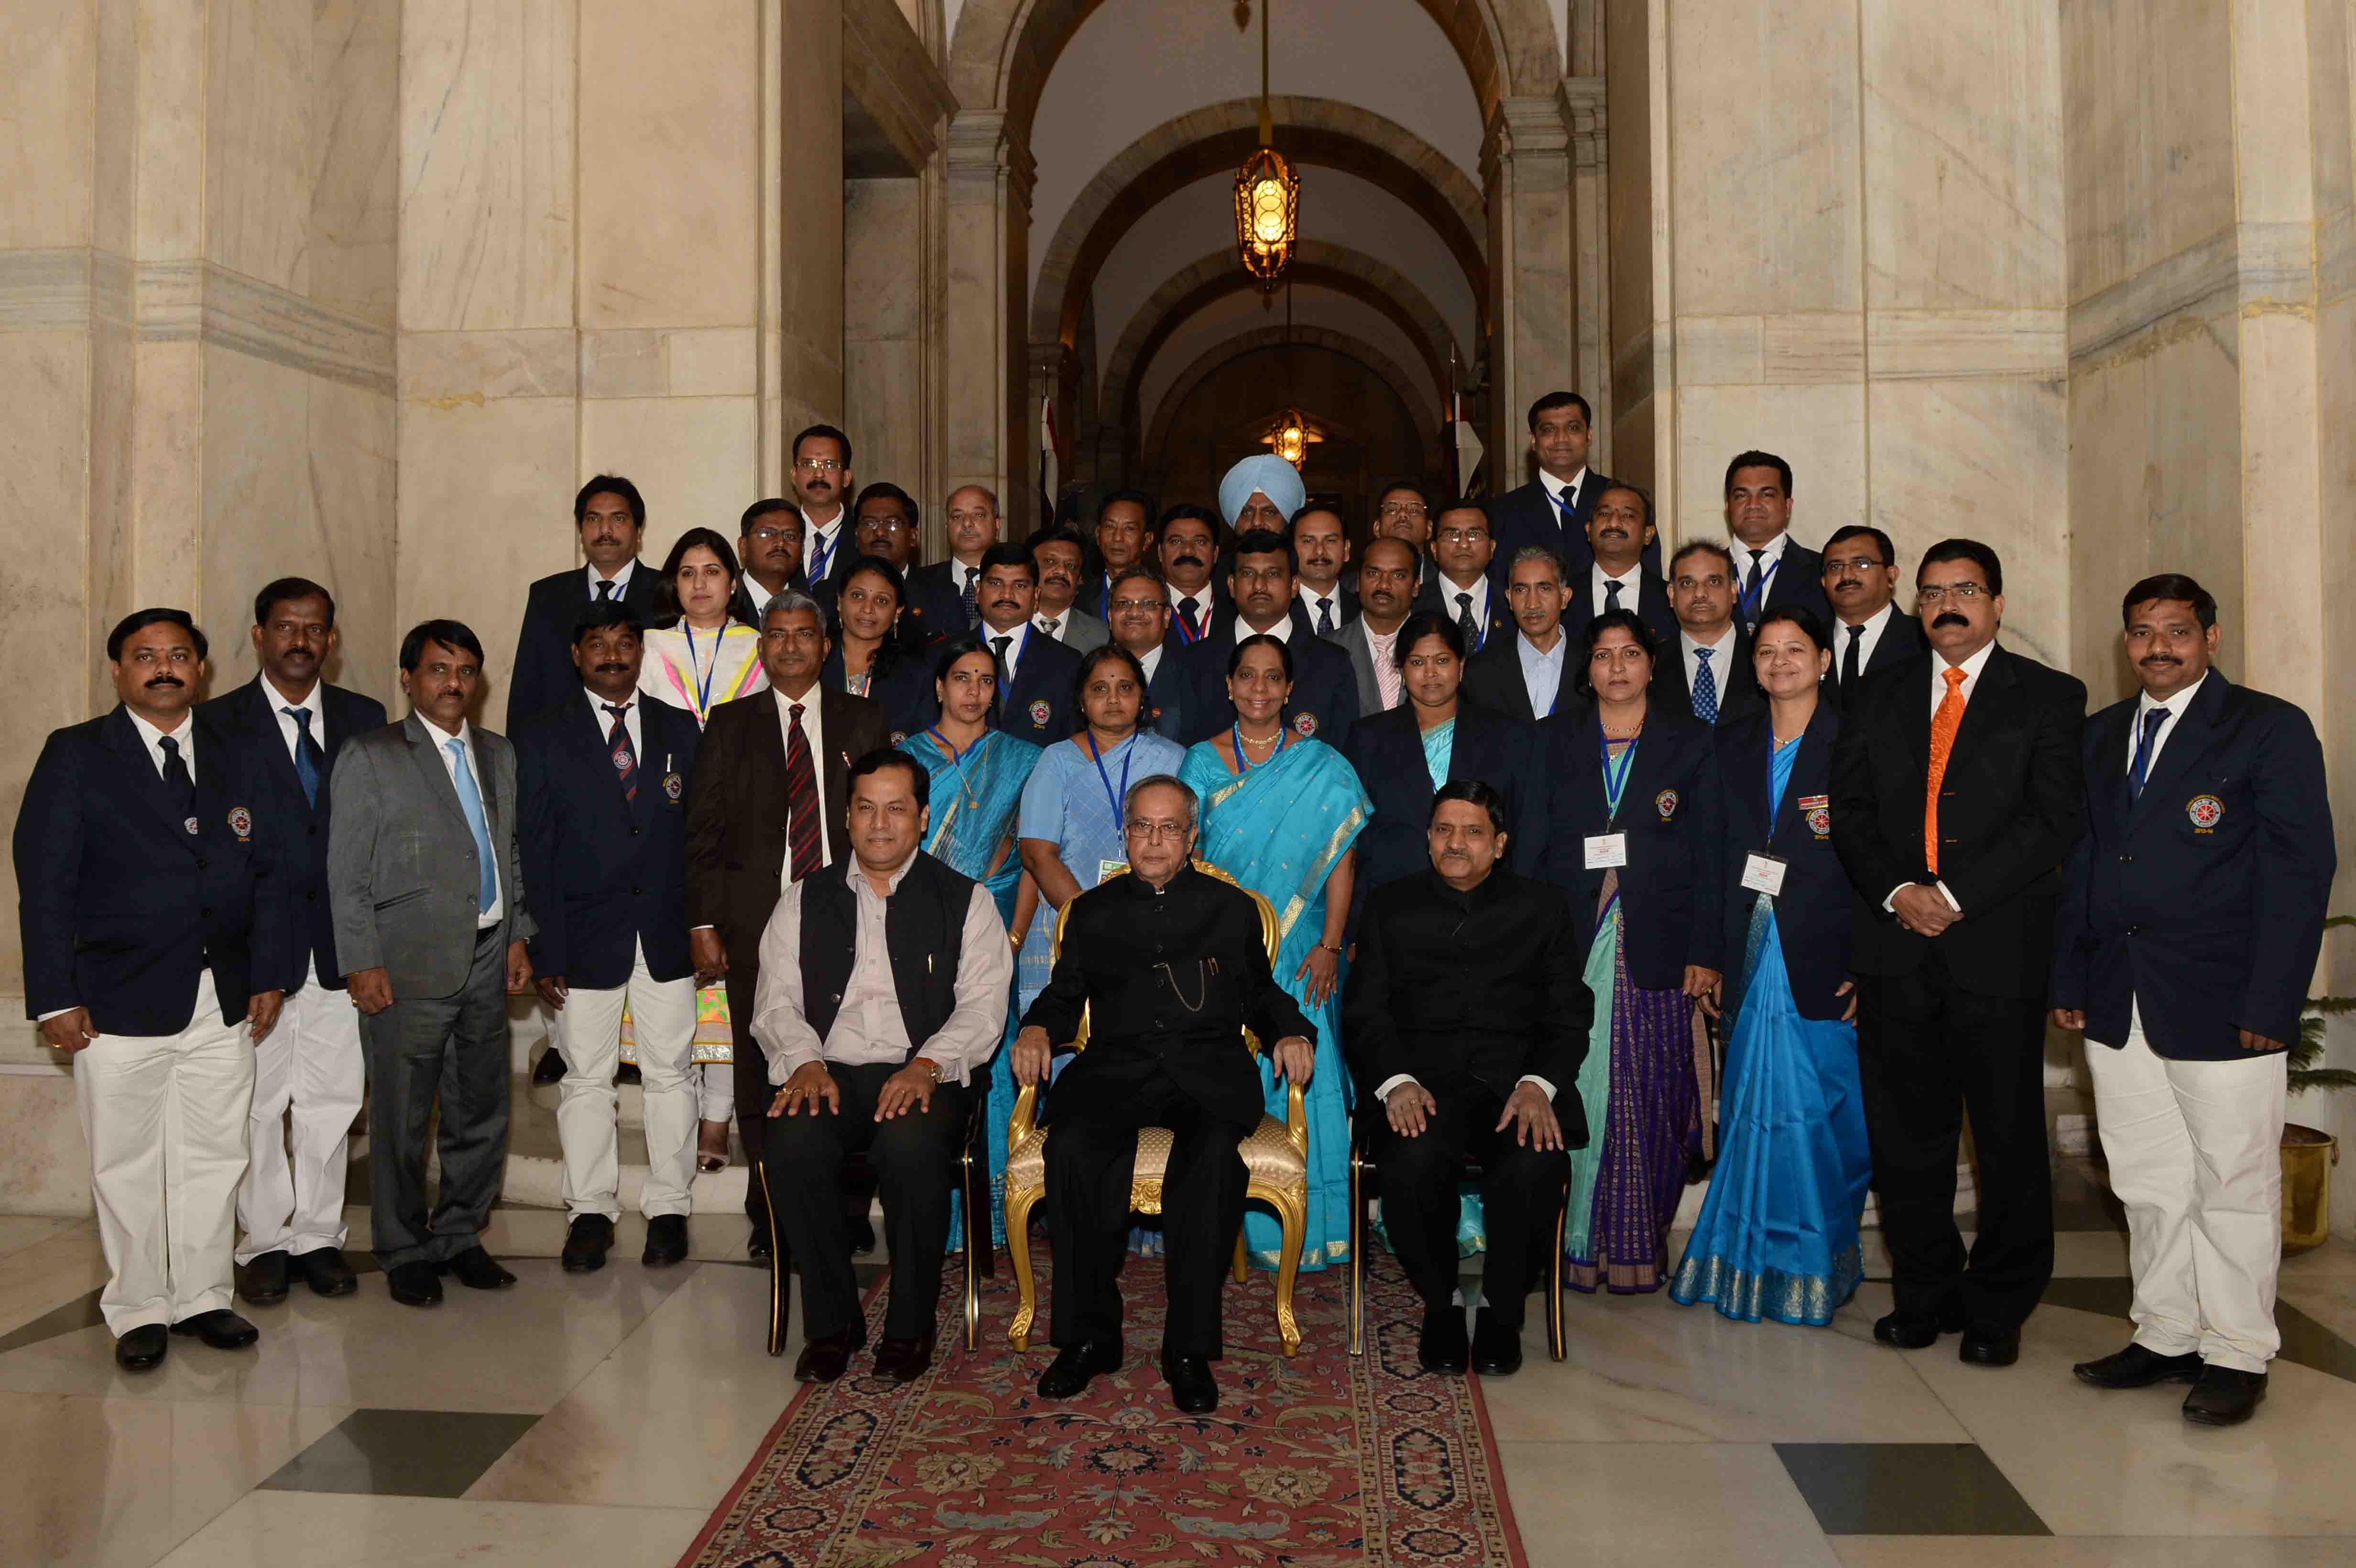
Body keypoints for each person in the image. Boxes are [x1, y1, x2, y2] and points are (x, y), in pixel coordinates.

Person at [2051, 574, 2335, 1426]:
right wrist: (2069, 978)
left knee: (2232, 1181)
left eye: (2175, 630)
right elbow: (2080, 867)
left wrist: (2271, 1000)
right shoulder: (2101, 737)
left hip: (2223, 999)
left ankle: (2236, 1351)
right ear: (2124, 643)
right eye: (2140, 633)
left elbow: (2298, 871)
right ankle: (2166, 1330)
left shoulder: (2266, 728)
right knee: (2144, 1179)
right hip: (2117, 997)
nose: (2156, 648)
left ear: (2210, 637)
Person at [1830, 538, 2086, 1367]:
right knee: (1907, 1136)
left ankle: (1998, 1305)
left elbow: (2048, 821)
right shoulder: (1877, 692)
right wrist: (1896, 893)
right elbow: (1850, 807)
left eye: (1966, 590)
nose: (1948, 604)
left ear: (1997, 604)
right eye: (1934, 591)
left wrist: (1954, 896)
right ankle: (1922, 1294)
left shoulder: (2048, 696)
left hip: (1994, 946)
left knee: (2006, 1136)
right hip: (1895, 943)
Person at [17, 609, 291, 1370]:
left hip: (222, 996)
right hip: (114, 998)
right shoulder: (77, 756)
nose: (163, 667)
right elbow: (44, 885)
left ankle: (204, 1296)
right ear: (118, 670)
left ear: (201, 669)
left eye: (179, 655)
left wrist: (267, 971)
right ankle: (138, 1306)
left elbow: (269, 872)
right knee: (127, 1160)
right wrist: (54, 996)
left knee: (215, 1153)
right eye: (145, 656)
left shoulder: (239, 752)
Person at [1013, 776, 1317, 1414]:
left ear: (1191, 836)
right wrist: (1038, 1026)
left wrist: (1288, 1031)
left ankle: (1188, 1350)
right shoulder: (1091, 912)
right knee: (1071, 1150)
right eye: (1142, 827)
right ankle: (1089, 1340)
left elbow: (1261, 994)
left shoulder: (1230, 909)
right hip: (1116, 1073)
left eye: (1169, 828)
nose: (1154, 840)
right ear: (1125, 834)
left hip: (1206, 1074)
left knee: (1211, 1162)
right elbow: (1065, 996)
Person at [752, 751, 1015, 1384]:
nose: (879, 823)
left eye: (896, 808)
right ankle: (833, 1323)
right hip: (829, 1069)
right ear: (845, 818)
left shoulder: (967, 900)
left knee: (911, 1147)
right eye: (866, 808)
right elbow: (775, 1000)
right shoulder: (802, 901)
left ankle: (909, 1326)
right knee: (791, 1142)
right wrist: (804, 1063)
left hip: (922, 1071)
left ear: (922, 819)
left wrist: (929, 1063)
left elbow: (984, 1007)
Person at [1670, 605, 1870, 1326]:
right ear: (1751, 666)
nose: (1780, 662)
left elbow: (1884, 863)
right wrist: (1706, 955)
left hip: (1828, 956)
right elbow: (1710, 859)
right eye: (1767, 652)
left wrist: (1870, 965)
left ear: (1823, 660)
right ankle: (1747, 1260)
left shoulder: (1857, 741)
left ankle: (1820, 1261)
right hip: (1748, 954)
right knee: (1755, 1112)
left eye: (1796, 650)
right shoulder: (1731, 743)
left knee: (1827, 1113)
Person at [1347, 782, 1588, 1375]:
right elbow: (1363, 1011)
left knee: (1535, 1162)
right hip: (1422, 1086)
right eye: (1443, 830)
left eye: (1472, 831)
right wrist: (1395, 1082)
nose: (1456, 843)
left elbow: (1568, 1013)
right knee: (1409, 1161)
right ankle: (1443, 1304)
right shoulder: (1387, 905)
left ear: (1499, 844)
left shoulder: (1541, 906)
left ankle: (1504, 1313)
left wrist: (1538, 1085)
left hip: (1515, 1087)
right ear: (1427, 837)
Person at [328, 620, 535, 1307]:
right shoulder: (373, 755)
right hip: (405, 965)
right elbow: (347, 873)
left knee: (482, 1109)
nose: (454, 683)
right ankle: (402, 1246)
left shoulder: (500, 754)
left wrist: (516, 935)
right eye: (439, 670)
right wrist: (361, 960)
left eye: (466, 671)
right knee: (402, 1116)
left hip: (484, 957)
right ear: (410, 678)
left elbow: (507, 855)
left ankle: (460, 1235)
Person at [196, 580, 385, 1307]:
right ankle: (265, 1240)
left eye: (313, 629)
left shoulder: (364, 720)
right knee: (258, 1101)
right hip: (257, 951)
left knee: (333, 1100)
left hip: (340, 945)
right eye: (285, 628)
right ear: (258, 636)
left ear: (331, 641)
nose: (299, 641)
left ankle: (316, 1236)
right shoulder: (215, 725)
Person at [685, 591, 890, 1256]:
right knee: (760, 1067)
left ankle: (849, 1209)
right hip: (755, 922)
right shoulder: (731, 723)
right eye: (779, 635)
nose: (793, 646)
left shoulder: (863, 721)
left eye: (806, 635)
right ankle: (769, 1212)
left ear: (826, 646)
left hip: (848, 915)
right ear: (762, 646)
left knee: (852, 1061)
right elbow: (704, 831)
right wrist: (704, 922)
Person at [515, 602, 704, 1273]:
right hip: (580, 940)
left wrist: (702, 925)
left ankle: (670, 1208)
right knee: (585, 1080)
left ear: (641, 651)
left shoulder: (681, 728)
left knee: (672, 1075)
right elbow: (532, 850)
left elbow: (700, 840)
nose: (614, 655)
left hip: (665, 934)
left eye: (626, 643)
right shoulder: (540, 737)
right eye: (598, 644)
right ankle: (590, 1211)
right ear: (577, 655)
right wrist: (543, 947)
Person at [1541, 609, 1723, 1292]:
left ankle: (1638, 1243)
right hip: (1574, 937)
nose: (1616, 668)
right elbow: (1534, 843)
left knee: (1652, 1095)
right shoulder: (1554, 740)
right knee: (1575, 1089)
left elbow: (1712, 854)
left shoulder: (1691, 743)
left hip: (1661, 946)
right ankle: (1572, 1246)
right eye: (1602, 656)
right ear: (1586, 670)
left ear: (1651, 664)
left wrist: (1707, 952)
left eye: (1630, 654)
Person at [1179, 634, 1370, 1272]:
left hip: (1307, 950)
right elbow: (1190, 866)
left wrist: (1330, 945)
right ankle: (1237, 1229)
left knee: (1310, 1078)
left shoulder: (1324, 765)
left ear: (1290, 691)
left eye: (1272, 679)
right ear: (1229, 686)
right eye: (1247, 677)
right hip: (1223, 953)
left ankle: (1317, 1228)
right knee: (1233, 1082)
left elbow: (1340, 863)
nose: (1259, 689)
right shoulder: (1200, 765)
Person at [900, 638, 1045, 1241]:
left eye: (986, 681)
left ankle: (997, 1212)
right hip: (919, 927)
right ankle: (938, 1217)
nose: (973, 691)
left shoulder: (1022, 758)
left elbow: (1034, 856)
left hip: (1000, 920)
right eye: (962, 678)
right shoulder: (907, 758)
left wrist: (1012, 935)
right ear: (939, 686)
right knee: (929, 1051)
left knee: (995, 1054)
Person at [640, 527, 767, 1163]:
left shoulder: (760, 646)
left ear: (734, 581)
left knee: (728, 976)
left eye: (712, 570)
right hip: (664, 823)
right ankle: (683, 1104)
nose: (699, 583)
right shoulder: (649, 645)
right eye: (687, 572)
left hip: (739, 825)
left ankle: (719, 1115)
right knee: (679, 974)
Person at [1014, 645, 1189, 1024]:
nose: (1113, 699)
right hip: (1069, 921)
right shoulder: (1056, 760)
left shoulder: (1175, 759)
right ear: (1081, 700)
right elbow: (1037, 854)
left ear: (1142, 699)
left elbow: (1191, 845)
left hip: (1155, 925)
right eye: (1099, 689)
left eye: (1126, 688)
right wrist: (1092, 922)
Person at [1346, 612, 1538, 899]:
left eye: (1442, 660)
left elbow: (1525, 832)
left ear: (1461, 667)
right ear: (1400, 670)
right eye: (1417, 662)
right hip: (1393, 903)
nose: (1430, 673)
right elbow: (1355, 842)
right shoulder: (1368, 738)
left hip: (1488, 905)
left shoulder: (1507, 737)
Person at [1176, 528, 1359, 749]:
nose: (1259, 586)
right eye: (1248, 574)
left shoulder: (1333, 662)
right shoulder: (1196, 661)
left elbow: (1342, 759)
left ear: (1294, 585)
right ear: (1232, 585)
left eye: (1272, 574)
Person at [508, 476, 660, 730]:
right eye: (593, 519)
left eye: (618, 519)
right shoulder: (547, 596)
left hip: (647, 740)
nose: (605, 530)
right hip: (561, 748)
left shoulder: (668, 591)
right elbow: (526, 691)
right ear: (581, 530)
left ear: (639, 531)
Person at [1484, 391, 1659, 582]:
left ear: (1589, 436)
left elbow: (1651, 583)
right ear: (1534, 441)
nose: (1561, 439)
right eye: (1549, 430)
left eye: (1573, 428)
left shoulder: (1627, 502)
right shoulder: (1502, 512)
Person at [974, 540, 1082, 744]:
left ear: (1036, 595)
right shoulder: (945, 654)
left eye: (1020, 585)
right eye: (996, 583)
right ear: (978, 590)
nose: (1007, 595)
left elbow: (1073, 745)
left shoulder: (1067, 663)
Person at [822, 555, 938, 740]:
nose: (868, 609)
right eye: (857, 596)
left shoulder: (917, 675)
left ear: (898, 611)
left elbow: (924, 748)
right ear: (839, 601)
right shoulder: (815, 662)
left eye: (881, 601)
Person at [1464, 546, 1578, 724]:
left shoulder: (1591, 665)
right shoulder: (1481, 672)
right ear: (1509, 599)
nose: (1532, 604)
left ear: (1564, 597)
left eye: (1544, 589)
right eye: (1521, 590)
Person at [1655, 540, 1762, 728]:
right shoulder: (1651, 664)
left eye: (1713, 582)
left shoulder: (1763, 658)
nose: (1700, 594)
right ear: (1672, 594)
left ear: (1734, 591)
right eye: (1688, 583)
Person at [1723, 451, 1832, 634]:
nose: (1753, 505)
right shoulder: (1697, 577)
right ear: (1728, 507)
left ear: (1788, 507)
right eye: (1742, 496)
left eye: (1767, 495)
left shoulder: (1823, 571)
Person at [1565, 482, 1676, 651]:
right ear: (1588, 530)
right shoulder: (1562, 599)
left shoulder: (1672, 601)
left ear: (1648, 534)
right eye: (1604, 513)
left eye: (1628, 515)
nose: (1614, 522)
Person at [1820, 524, 1926, 697]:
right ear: (1824, 582)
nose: (1847, 576)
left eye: (1861, 564)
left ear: (1891, 576)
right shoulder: (1808, 642)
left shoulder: (1926, 640)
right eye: (1835, 567)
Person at [1332, 537, 1418, 717]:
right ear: (1358, 581)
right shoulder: (1327, 649)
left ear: (1416, 586)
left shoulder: (1438, 650)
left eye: (1398, 575)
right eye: (1373, 573)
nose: (1384, 585)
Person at [1413, 501, 1512, 653]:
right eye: (1452, 535)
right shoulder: (1413, 604)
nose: (1464, 544)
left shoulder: (1513, 602)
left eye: (1474, 535)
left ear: (1492, 548)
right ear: (1434, 549)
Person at [1105, 568, 1192, 739]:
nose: (1135, 612)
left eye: (1148, 604)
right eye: (1123, 603)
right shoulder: (1089, 672)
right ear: (1110, 615)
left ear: (1167, 616)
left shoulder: (1194, 673)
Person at [906, 484, 1000, 633]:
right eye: (957, 517)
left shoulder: (1015, 585)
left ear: (997, 525)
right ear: (947, 527)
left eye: (979, 515)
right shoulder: (916, 584)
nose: (967, 523)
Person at [789, 424, 858, 606]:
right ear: (794, 475)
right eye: (808, 464)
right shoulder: (777, 537)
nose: (819, 474)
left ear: (846, 477)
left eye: (830, 465)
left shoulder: (864, 538)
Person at [1028, 525, 1110, 651]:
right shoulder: (1006, 624)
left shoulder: (1102, 638)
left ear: (1080, 579)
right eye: (1050, 561)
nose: (1061, 571)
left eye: (1071, 566)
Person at [1156, 503, 1228, 644]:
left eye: (1200, 542)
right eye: (1176, 541)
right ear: (1160, 553)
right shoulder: (1142, 612)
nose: (1188, 551)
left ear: (1215, 553)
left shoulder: (1238, 611)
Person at [1081, 490, 1157, 621]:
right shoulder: (1078, 597)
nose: (1117, 538)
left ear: (1147, 539)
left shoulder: (1161, 595)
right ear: (1098, 535)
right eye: (1110, 526)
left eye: (1129, 529)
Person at [729, 498, 805, 627]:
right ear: (743, 546)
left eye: (790, 536)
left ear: (802, 551)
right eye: (767, 534)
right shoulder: (724, 602)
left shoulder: (812, 604)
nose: (780, 543)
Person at [1292, 503, 1356, 632]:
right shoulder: (1275, 610)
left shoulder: (1364, 611)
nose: (1320, 551)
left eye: (1330, 541)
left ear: (1346, 550)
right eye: (1308, 541)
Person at [1372, 479, 1438, 594]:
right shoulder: (1350, 589)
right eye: (1392, 510)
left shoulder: (1445, 584)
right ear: (1377, 528)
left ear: (1429, 529)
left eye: (1414, 510)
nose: (1403, 514)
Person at [852, 482, 921, 572]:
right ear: (857, 535)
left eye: (892, 523)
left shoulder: (936, 585)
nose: (880, 533)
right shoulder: (838, 586)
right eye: (870, 523)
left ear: (913, 536)